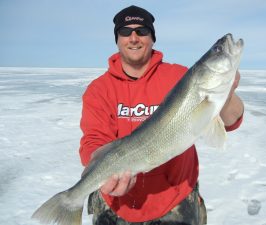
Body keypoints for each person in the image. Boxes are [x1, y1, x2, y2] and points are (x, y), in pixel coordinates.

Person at [79, 5, 244, 225]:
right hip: (116, 204)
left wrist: (228, 91)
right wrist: (105, 174)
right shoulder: (99, 89)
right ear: (117, 39)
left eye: (142, 31)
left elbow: (231, 121)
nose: (134, 37)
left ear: (152, 37)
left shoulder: (180, 76)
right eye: (126, 32)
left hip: (177, 200)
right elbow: (93, 141)